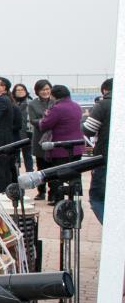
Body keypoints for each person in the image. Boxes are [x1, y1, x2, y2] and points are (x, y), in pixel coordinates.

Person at [39, 84, 86, 202]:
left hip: (60, 148)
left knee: (58, 174)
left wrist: (44, 117)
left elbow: (45, 125)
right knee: (75, 173)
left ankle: (58, 199)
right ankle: (75, 199)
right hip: (77, 146)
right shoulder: (76, 106)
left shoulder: (57, 108)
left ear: (54, 96)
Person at [84, 78, 112, 222]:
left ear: (105, 90)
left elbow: (88, 129)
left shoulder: (104, 104)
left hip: (105, 157)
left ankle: (112, 231)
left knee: (97, 199)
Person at [28, 79, 55, 199]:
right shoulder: (33, 104)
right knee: (41, 166)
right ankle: (41, 191)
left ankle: (53, 193)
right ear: (37, 91)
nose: (45, 92)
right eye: (42, 90)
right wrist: (46, 121)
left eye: (47, 89)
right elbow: (33, 120)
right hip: (40, 138)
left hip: (54, 138)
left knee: (53, 167)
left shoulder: (55, 102)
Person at [12, 83, 36, 175]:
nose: (20, 92)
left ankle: (30, 174)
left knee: (27, 154)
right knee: (15, 155)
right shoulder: (12, 103)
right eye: (18, 90)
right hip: (15, 132)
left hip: (27, 132)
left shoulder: (30, 102)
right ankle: (16, 172)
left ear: (26, 91)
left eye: (22, 90)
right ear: (14, 92)